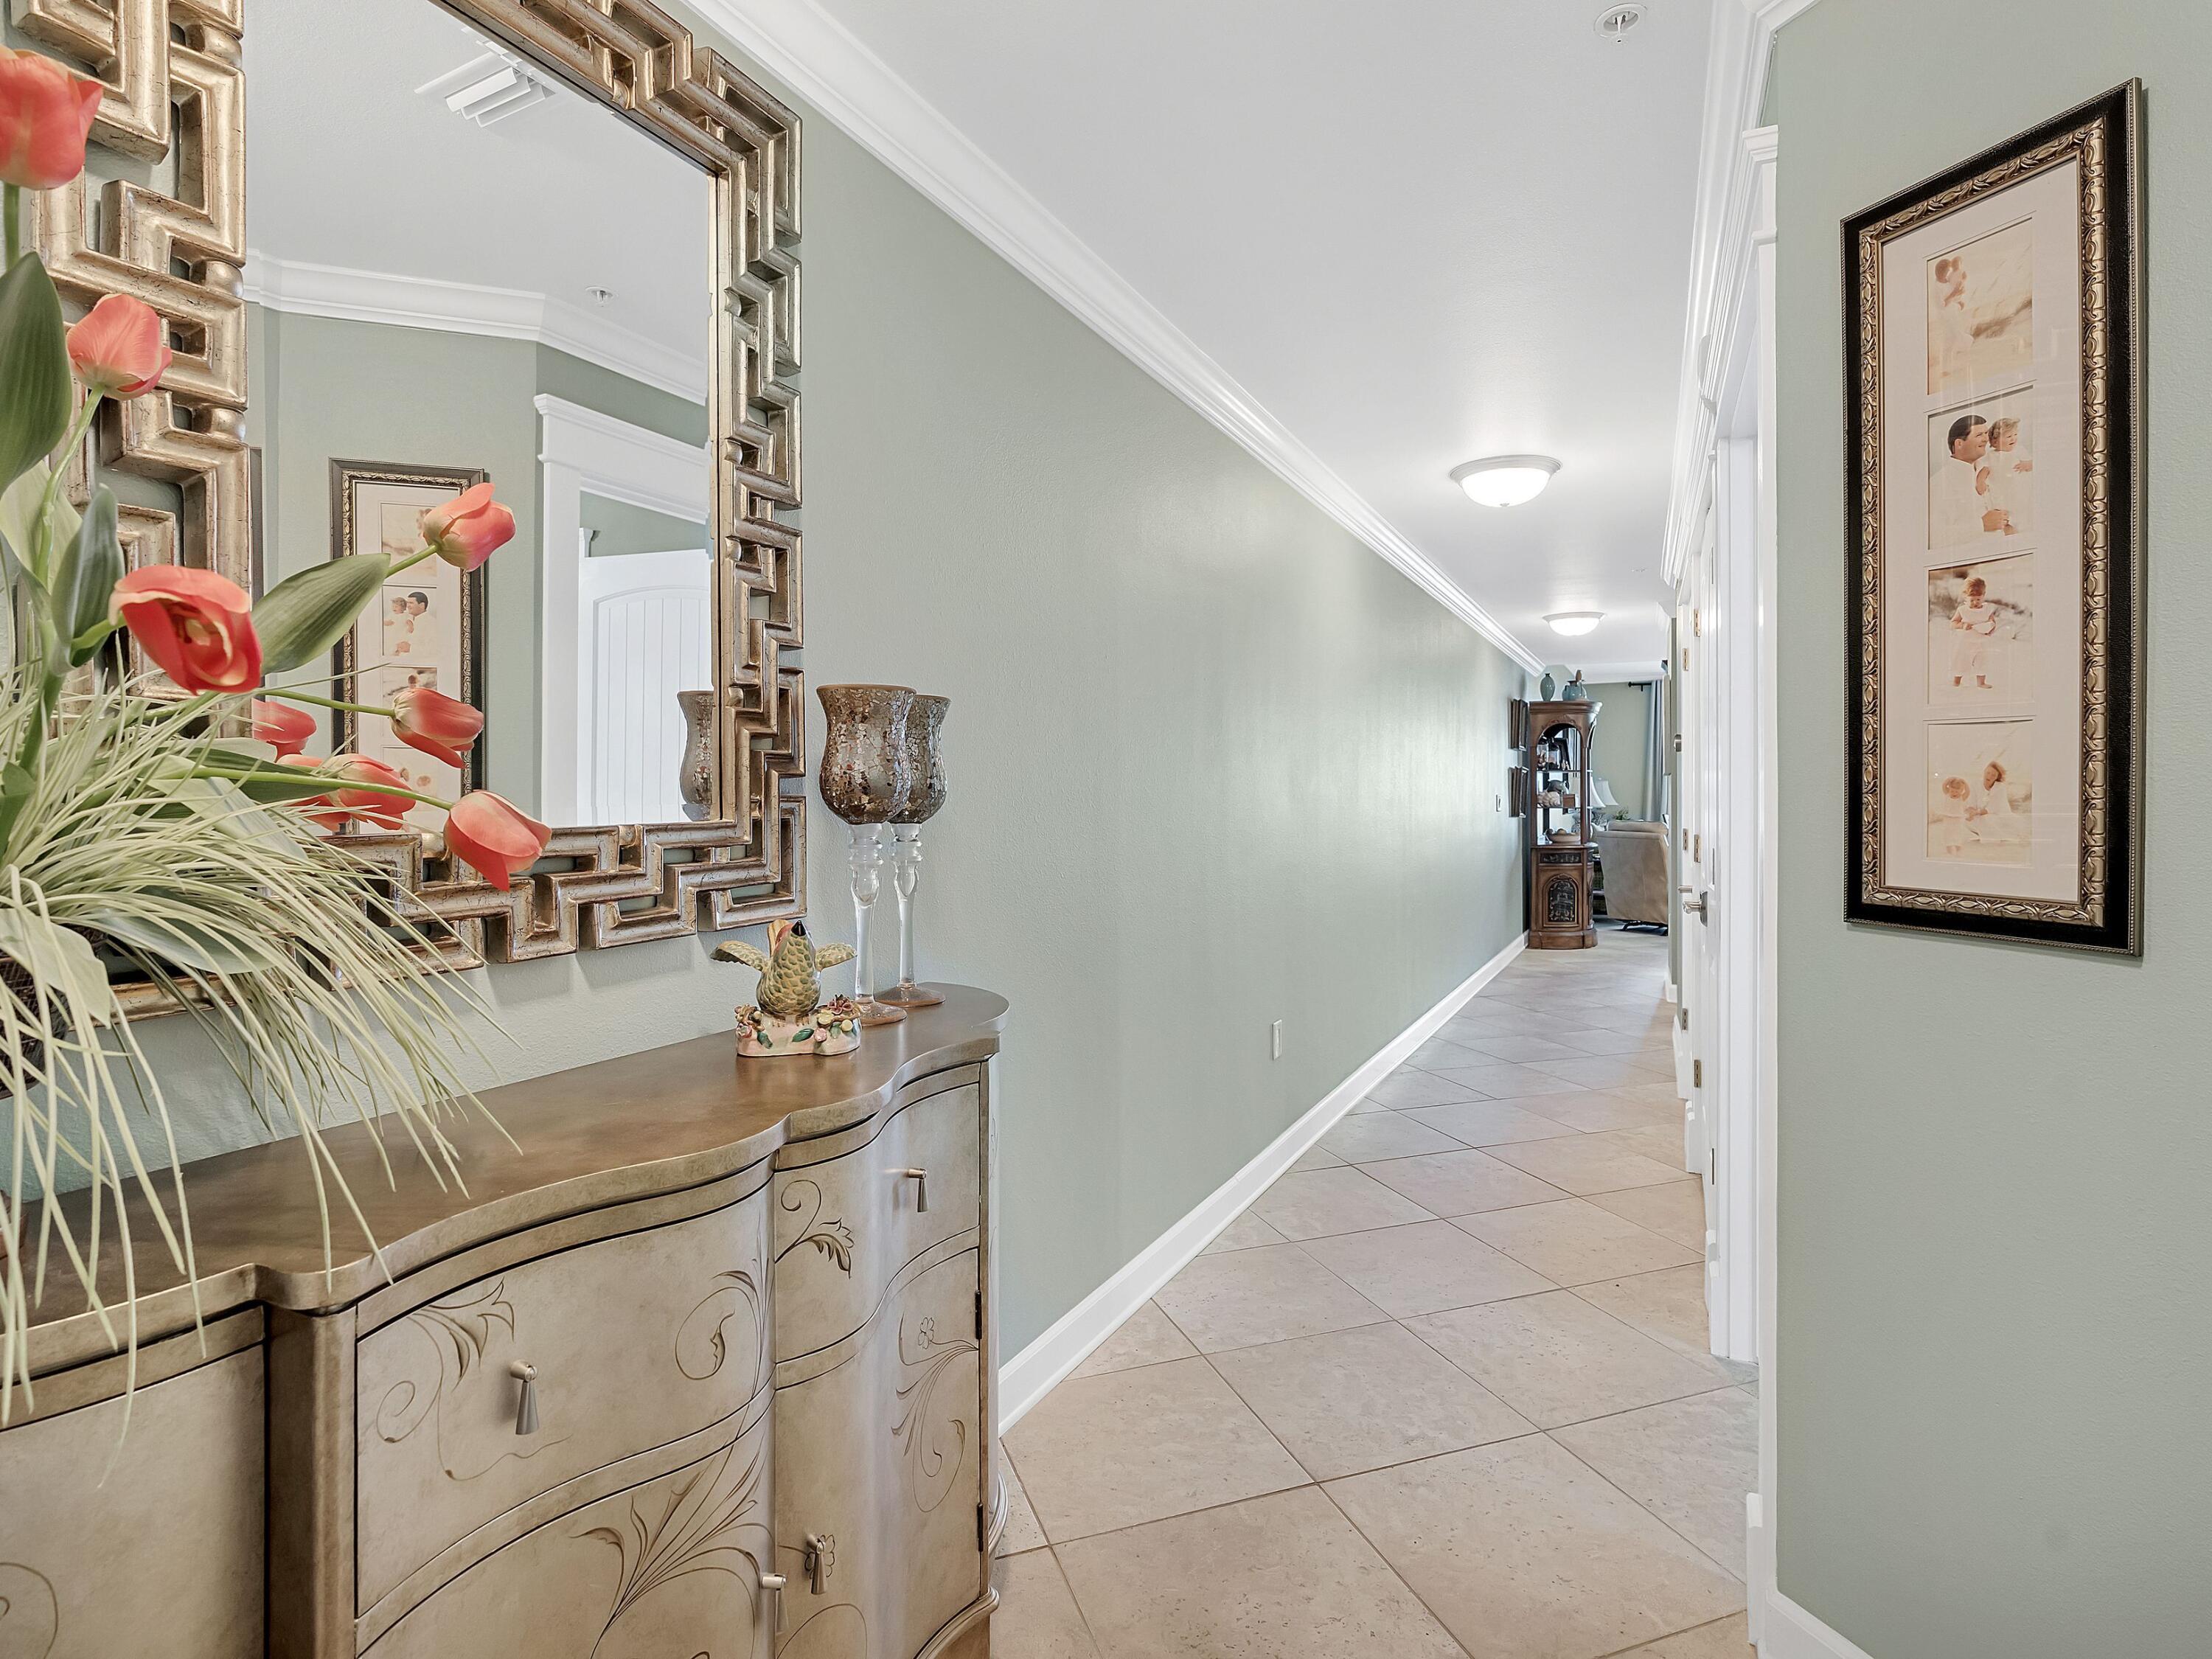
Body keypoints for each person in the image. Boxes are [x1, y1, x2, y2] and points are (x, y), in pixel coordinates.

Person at [1932, 414, 2010, 546]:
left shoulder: (1992, 469)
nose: (1986, 439)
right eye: (1979, 435)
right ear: (1959, 444)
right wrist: (1981, 526)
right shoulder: (1939, 483)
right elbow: (1934, 539)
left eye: (1986, 433)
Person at [1949, 575, 2000, 690]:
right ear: (1965, 597)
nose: (1975, 602)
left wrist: (1991, 628)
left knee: (1982, 661)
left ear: (1984, 595)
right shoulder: (1963, 610)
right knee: (1961, 661)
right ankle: (1956, 682)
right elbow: (1953, 623)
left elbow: (1992, 621)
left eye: (1978, 599)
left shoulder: (1987, 609)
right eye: (1972, 600)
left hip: (1982, 641)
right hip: (1965, 642)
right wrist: (1962, 625)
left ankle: (1981, 682)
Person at [1935, 774, 1973, 856]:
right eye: (1952, 791)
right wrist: (1949, 780)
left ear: (1961, 791)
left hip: (1958, 819)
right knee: (1947, 832)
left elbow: (1968, 792)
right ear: (1949, 790)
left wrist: (1965, 783)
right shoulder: (1947, 795)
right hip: (1948, 818)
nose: (1954, 793)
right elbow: (1944, 786)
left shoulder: (1961, 798)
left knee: (1957, 832)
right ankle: (1949, 846)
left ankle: (1958, 846)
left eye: (1957, 791)